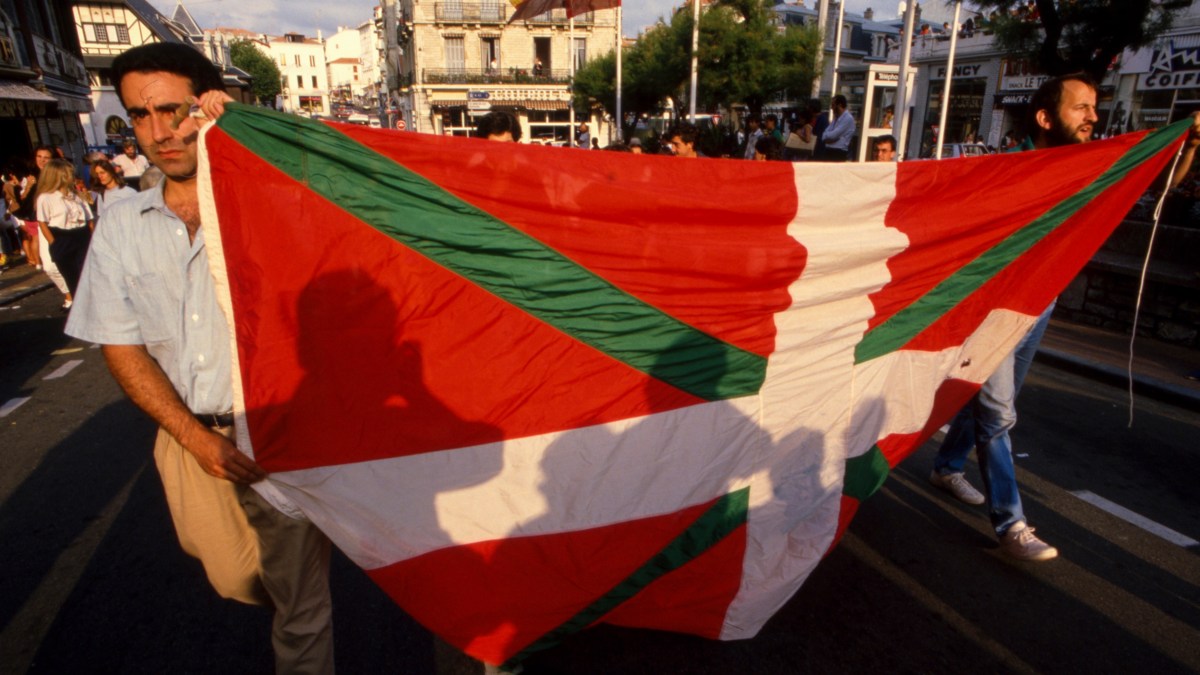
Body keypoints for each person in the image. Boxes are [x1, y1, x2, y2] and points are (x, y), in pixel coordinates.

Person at [64, 42, 335, 673]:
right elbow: (121, 345)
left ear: (207, 106)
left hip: (277, 433)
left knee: (300, 609)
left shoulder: (270, 199)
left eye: (174, 110)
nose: (159, 132)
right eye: (140, 115)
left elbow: (337, 187)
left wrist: (248, 135)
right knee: (237, 578)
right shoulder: (122, 222)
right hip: (189, 437)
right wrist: (192, 438)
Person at [928, 73, 1200, 562]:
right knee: (998, 412)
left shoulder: (1089, 166)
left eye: (1095, 107)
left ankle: (947, 466)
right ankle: (1011, 524)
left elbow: (1152, 183)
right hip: (996, 310)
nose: (1093, 117)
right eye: (1081, 108)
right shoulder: (1008, 170)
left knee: (989, 402)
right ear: (1045, 117)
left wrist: (1189, 147)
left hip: (1041, 306)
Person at [35, 158, 94, 302]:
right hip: (62, 237)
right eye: (68, 174)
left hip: (81, 235)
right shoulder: (46, 198)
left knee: (89, 276)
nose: (71, 176)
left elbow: (89, 219)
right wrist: (53, 243)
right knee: (73, 280)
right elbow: (42, 222)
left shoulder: (76, 195)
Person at [820, 94, 856, 162]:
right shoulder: (836, 118)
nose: (831, 108)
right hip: (829, 151)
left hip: (838, 152)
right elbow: (824, 134)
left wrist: (828, 138)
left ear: (839, 105)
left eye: (833, 105)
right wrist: (827, 138)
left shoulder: (848, 118)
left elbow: (834, 135)